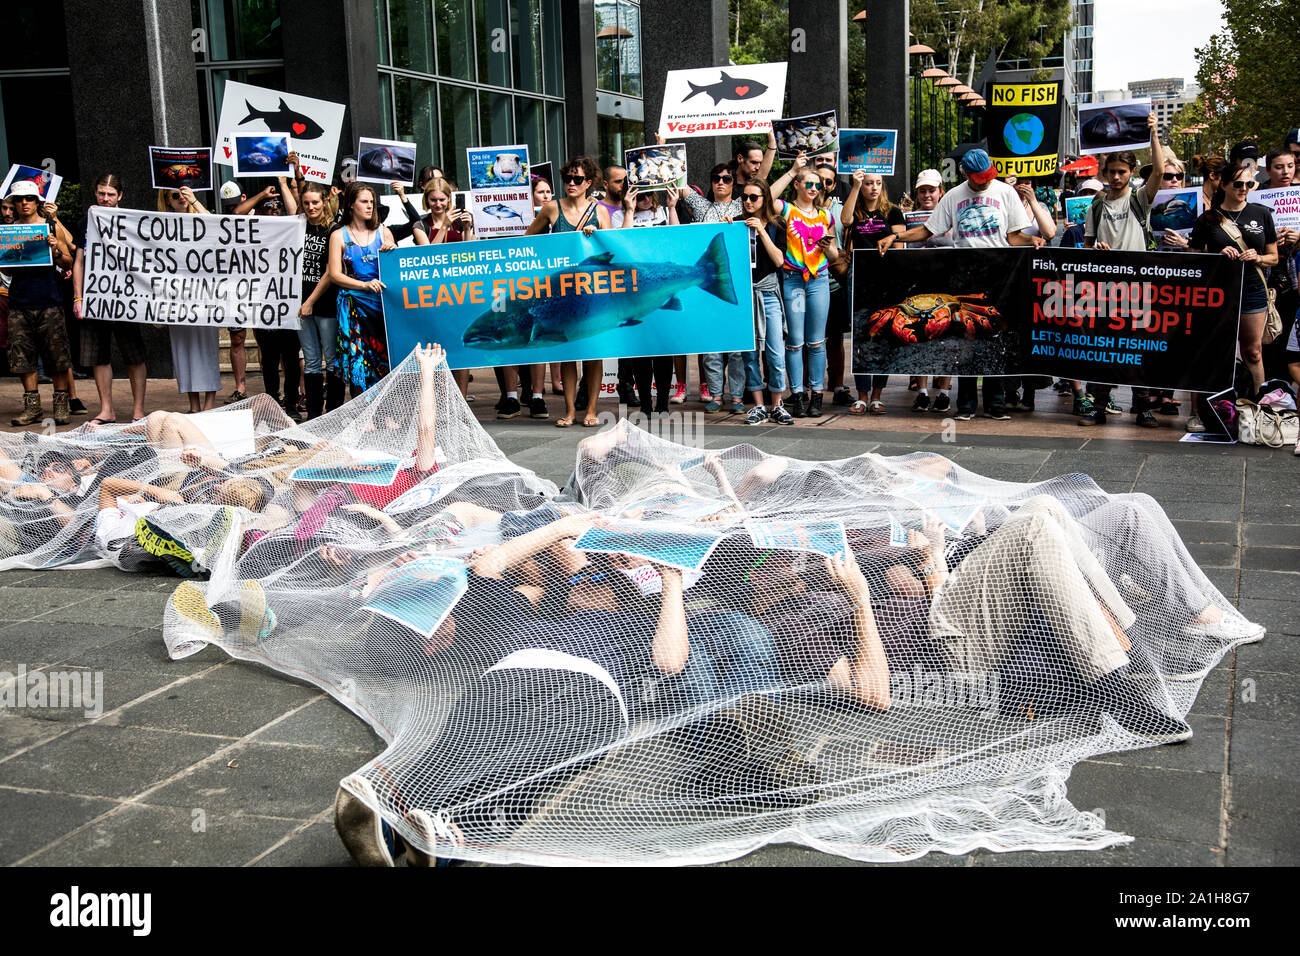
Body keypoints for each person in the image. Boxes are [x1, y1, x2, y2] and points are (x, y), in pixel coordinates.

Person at [878, 149, 1047, 421]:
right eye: (978, 179)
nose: (983, 183)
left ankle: (996, 403)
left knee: (994, 336)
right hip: (965, 272)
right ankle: (965, 403)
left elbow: (1014, 236)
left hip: (998, 272)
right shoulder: (955, 196)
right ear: (966, 174)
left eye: (987, 177)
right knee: (965, 338)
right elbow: (927, 231)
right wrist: (893, 237)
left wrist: (1032, 241)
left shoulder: (1005, 192)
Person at [524, 155, 628, 427]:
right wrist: (551, 247)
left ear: (589, 183)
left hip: (593, 292)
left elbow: (611, 251)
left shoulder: (600, 211)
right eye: (567, 178)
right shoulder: (551, 208)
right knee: (568, 351)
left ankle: (592, 409)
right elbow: (528, 241)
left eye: (577, 179)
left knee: (593, 352)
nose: (571, 183)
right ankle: (569, 410)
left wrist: (597, 236)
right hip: (561, 293)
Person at [1078, 112, 1165, 427]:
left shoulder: (1140, 200)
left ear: (1131, 173)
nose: (1116, 178)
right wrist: (1095, 251)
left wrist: (1153, 133)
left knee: (1136, 348)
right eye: (1112, 172)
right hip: (1103, 290)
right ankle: (1099, 406)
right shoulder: (1096, 206)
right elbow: (1086, 248)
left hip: (1137, 287)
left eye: (1122, 172)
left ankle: (1142, 407)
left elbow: (1158, 171)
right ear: (1104, 173)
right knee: (1103, 349)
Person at [1190, 160, 1279, 398]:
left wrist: (1257, 257)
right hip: (1218, 292)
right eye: (1238, 184)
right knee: (1214, 349)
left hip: (1252, 289)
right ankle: (1207, 407)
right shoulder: (1208, 219)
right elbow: (1192, 258)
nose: (1244, 188)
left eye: (1249, 184)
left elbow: (1274, 257)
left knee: (1253, 352)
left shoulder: (1261, 213)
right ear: (1225, 185)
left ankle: (1259, 407)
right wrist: (1216, 256)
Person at [71, 174, 148, 426]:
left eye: (110, 194)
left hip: (125, 298)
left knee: (134, 355)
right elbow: (79, 261)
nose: (105, 198)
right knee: (98, 356)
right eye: (101, 193)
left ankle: (138, 411)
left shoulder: (131, 221)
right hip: (95, 298)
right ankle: (107, 410)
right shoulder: (86, 222)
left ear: (120, 196)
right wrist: (78, 297)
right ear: (95, 193)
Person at [767, 153, 839, 418]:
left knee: (817, 341)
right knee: (795, 341)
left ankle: (817, 394)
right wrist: (792, 170)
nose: (813, 189)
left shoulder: (826, 216)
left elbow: (833, 256)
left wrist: (827, 247)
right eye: (808, 183)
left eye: (817, 185)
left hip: (819, 280)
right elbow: (766, 198)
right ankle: (797, 394)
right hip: (794, 279)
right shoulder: (787, 209)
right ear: (797, 185)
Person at [5, 182, 77, 427]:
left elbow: (68, 263)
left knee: (56, 355)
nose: (24, 203)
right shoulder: (8, 231)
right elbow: (5, 268)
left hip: (49, 299)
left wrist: (56, 249)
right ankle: (32, 407)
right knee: (23, 356)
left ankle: (60, 405)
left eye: (29, 198)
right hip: (19, 300)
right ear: (14, 204)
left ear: (37, 202)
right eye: (19, 199)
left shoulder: (50, 226)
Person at [841, 170, 905, 415]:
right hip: (859, 276)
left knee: (882, 334)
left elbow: (899, 246)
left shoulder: (893, 211)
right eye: (868, 183)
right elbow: (845, 221)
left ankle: (878, 395)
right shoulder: (855, 209)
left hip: (884, 278)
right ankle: (862, 395)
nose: (874, 188)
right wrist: (855, 187)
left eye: (878, 183)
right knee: (861, 335)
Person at [329, 182, 398, 396]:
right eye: (364, 202)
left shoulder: (384, 232)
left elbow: (395, 269)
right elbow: (334, 274)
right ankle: (363, 413)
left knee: (383, 357)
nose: (369, 206)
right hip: (353, 306)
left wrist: (392, 250)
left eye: (372, 202)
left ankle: (386, 413)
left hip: (380, 306)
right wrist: (363, 285)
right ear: (351, 204)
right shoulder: (338, 235)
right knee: (359, 360)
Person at [739, 179, 792, 425]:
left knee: (775, 353)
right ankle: (759, 405)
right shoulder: (737, 224)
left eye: (754, 197)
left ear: (764, 200)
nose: (748, 202)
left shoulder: (776, 224)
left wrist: (760, 229)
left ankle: (777, 404)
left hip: (768, 293)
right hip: (745, 294)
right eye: (745, 197)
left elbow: (779, 260)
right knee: (749, 354)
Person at [297, 182, 341, 419]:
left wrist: (310, 301)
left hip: (325, 304)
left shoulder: (334, 230)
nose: (311, 207)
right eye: (306, 203)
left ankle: (333, 413)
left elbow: (330, 271)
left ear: (324, 201)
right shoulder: (297, 227)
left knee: (332, 361)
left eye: (315, 202)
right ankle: (314, 415)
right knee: (312, 361)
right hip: (301, 305)